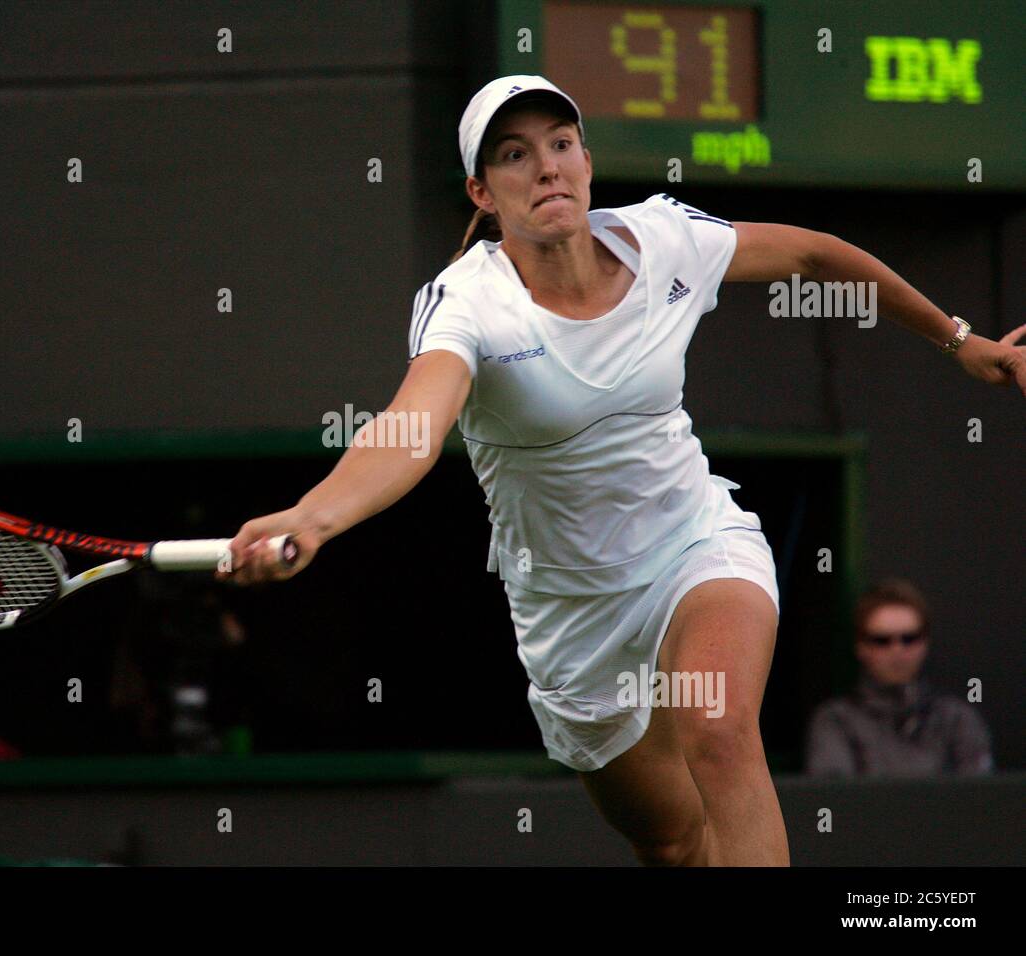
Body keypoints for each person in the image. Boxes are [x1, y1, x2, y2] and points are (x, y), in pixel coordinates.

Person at [213, 75, 1026, 866]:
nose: (547, 167)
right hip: (571, 614)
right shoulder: (468, 303)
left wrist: (962, 343)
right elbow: (411, 429)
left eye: (561, 144)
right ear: (482, 192)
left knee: (716, 725)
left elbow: (814, 256)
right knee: (670, 841)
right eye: (515, 155)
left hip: (694, 544)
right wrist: (311, 516)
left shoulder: (663, 240)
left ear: (587, 160)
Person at [805, 577, 993, 777]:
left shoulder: (957, 718)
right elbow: (835, 798)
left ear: (925, 642)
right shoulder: (836, 720)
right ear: (861, 646)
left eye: (909, 638)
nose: (897, 650)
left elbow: (977, 798)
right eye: (882, 640)